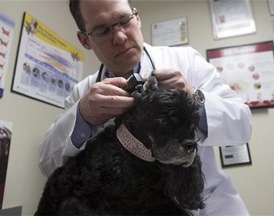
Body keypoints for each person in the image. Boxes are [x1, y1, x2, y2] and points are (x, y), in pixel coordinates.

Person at [38, 0, 252, 215]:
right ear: (85, 40)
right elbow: (48, 163)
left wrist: (192, 97)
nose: (120, 37)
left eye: (124, 20)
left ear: (137, 18)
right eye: (102, 30)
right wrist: (83, 116)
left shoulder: (186, 61)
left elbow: (243, 124)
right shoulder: (82, 93)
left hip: (209, 205)